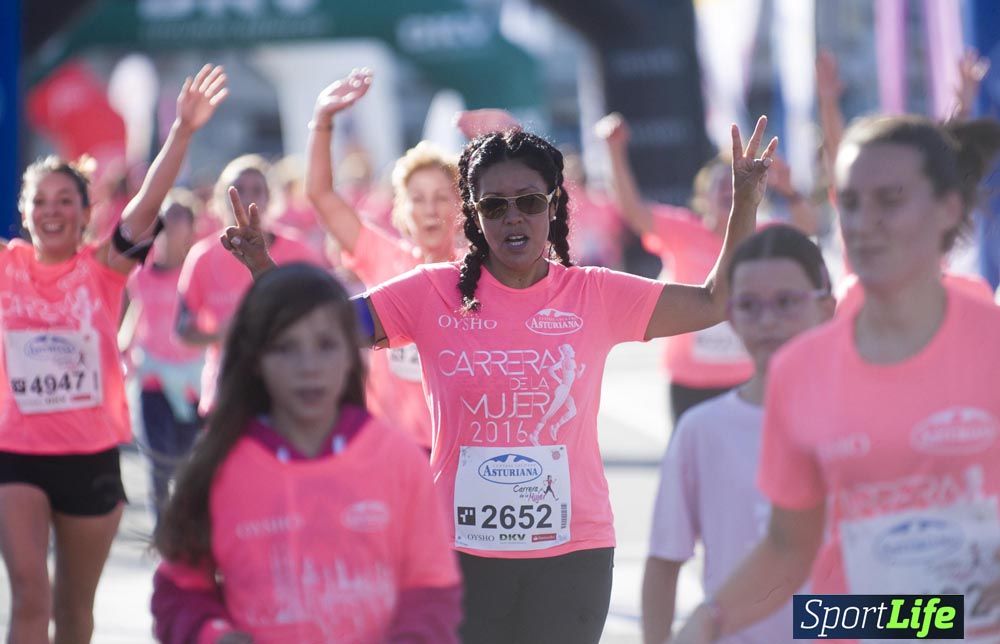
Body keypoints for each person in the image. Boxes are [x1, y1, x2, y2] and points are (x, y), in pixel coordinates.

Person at [225, 116, 778, 643]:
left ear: (554, 205)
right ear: (474, 213)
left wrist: (745, 203)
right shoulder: (429, 291)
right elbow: (325, 327)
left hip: (572, 551)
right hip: (457, 552)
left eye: (529, 202)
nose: (513, 217)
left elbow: (714, 301)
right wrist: (262, 270)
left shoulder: (595, 294)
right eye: (495, 205)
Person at [672, 115, 1000, 644]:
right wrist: (707, 621)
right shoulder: (801, 369)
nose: (865, 222)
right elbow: (787, 545)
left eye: (890, 200)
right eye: (850, 203)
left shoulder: (992, 344)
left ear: (949, 209)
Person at [0, 64, 226, 644]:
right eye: (40, 201)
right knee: (28, 595)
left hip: (90, 457)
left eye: (63, 200)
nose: (51, 211)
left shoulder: (102, 270)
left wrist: (181, 129)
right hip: (15, 457)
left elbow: (147, 207)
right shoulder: (6, 268)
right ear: (25, 213)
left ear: (84, 210)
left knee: (75, 611)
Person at [150, 262, 462, 643]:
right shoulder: (219, 467)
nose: (308, 367)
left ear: (352, 354)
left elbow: (430, 587)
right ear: (256, 360)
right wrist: (213, 635)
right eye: (285, 348)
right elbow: (178, 591)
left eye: (326, 345)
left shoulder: (399, 460)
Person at [642, 225, 835, 644]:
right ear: (729, 316)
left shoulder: (870, 423)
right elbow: (664, 560)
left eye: (787, 302)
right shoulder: (702, 431)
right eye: (748, 305)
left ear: (827, 309)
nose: (767, 321)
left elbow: (931, 605)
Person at [596, 113, 818, 426]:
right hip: (691, 380)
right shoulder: (683, 230)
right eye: (721, 187)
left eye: (734, 186)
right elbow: (632, 209)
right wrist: (614, 151)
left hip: (749, 377)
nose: (730, 192)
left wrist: (790, 190)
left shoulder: (765, 232)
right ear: (703, 198)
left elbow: (807, 227)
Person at [305, 68, 462, 450]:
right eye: (418, 199)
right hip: (389, 444)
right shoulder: (382, 255)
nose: (430, 211)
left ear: (462, 207)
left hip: (458, 449)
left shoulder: (478, 271)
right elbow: (322, 196)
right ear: (401, 209)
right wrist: (323, 120)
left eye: (442, 197)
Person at [176, 153, 324, 417]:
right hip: (227, 391)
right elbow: (182, 330)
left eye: (257, 190)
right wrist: (225, 334)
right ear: (222, 198)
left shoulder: (298, 249)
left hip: (286, 390)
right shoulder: (202, 256)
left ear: (271, 198)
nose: (248, 197)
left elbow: (321, 315)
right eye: (238, 190)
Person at [120, 189, 205, 527]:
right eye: (166, 216)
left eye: (180, 216)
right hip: (151, 375)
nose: (171, 223)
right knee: (157, 460)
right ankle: (161, 533)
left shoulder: (198, 271)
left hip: (191, 379)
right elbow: (135, 313)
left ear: (192, 226)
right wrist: (121, 347)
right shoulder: (139, 273)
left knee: (187, 461)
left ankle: (186, 530)